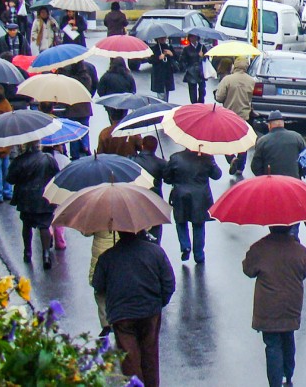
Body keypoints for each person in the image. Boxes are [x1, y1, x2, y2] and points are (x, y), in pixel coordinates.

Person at [92, 231, 176, 387]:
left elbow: (98, 285)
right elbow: (169, 283)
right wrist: (159, 303)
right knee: (150, 356)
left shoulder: (107, 257)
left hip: (121, 315)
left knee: (129, 360)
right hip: (150, 312)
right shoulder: (155, 252)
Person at [242, 225, 306, 387]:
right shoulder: (300, 251)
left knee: (272, 344)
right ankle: (288, 375)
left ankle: (275, 383)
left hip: (268, 307)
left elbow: (248, 270)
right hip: (291, 304)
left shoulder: (259, 248)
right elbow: (304, 272)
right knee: (288, 337)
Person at [5, 142, 59, 269]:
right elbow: (57, 175)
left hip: (26, 199)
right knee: (44, 225)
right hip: (45, 197)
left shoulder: (20, 160)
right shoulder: (48, 159)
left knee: (27, 225)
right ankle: (46, 254)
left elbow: (10, 179)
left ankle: (27, 252)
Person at [164, 149, 221, 263]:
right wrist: (212, 160)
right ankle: (199, 254)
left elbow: (167, 178)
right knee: (199, 225)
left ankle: (185, 245)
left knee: (180, 222)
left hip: (180, 195)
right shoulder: (207, 158)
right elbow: (217, 175)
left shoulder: (175, 158)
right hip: (200, 197)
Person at [215, 56, 255, 177]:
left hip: (229, 116)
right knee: (243, 142)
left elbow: (219, 97)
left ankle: (231, 158)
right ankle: (240, 168)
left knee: (226, 140)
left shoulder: (227, 79)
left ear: (235, 65)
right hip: (244, 116)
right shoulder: (252, 81)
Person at [249, 110, 306, 179]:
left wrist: (264, 177)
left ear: (269, 125)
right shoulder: (297, 137)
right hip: (293, 180)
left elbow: (255, 166)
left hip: (271, 181)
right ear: (283, 124)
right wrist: (300, 174)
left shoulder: (263, 141)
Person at [132, 136, 168, 243]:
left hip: (137, 198)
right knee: (156, 227)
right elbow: (168, 179)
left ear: (142, 146)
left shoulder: (132, 160)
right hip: (155, 199)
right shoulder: (161, 163)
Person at [61, 60, 98, 159]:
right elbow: (94, 86)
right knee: (85, 131)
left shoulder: (70, 79)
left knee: (74, 134)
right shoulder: (87, 77)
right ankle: (86, 149)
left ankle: (75, 155)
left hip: (72, 109)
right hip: (85, 108)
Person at [98, 57, 137, 123]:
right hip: (124, 103)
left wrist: (105, 99)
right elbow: (133, 90)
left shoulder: (106, 76)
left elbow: (100, 90)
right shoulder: (128, 76)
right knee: (122, 121)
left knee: (113, 122)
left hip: (110, 103)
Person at [180, 34, 208, 104]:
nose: (193, 39)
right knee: (192, 91)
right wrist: (186, 68)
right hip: (191, 72)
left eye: (194, 37)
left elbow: (207, 58)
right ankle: (194, 105)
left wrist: (203, 56)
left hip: (201, 72)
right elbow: (182, 60)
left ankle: (201, 104)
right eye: (191, 37)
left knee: (202, 90)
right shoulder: (186, 49)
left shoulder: (202, 47)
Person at [149, 36, 174, 102]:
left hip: (167, 73)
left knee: (167, 92)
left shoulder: (169, 47)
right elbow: (150, 60)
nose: (163, 39)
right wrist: (158, 58)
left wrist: (171, 54)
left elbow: (176, 59)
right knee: (161, 94)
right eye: (161, 38)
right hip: (158, 74)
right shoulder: (154, 48)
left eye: (164, 38)